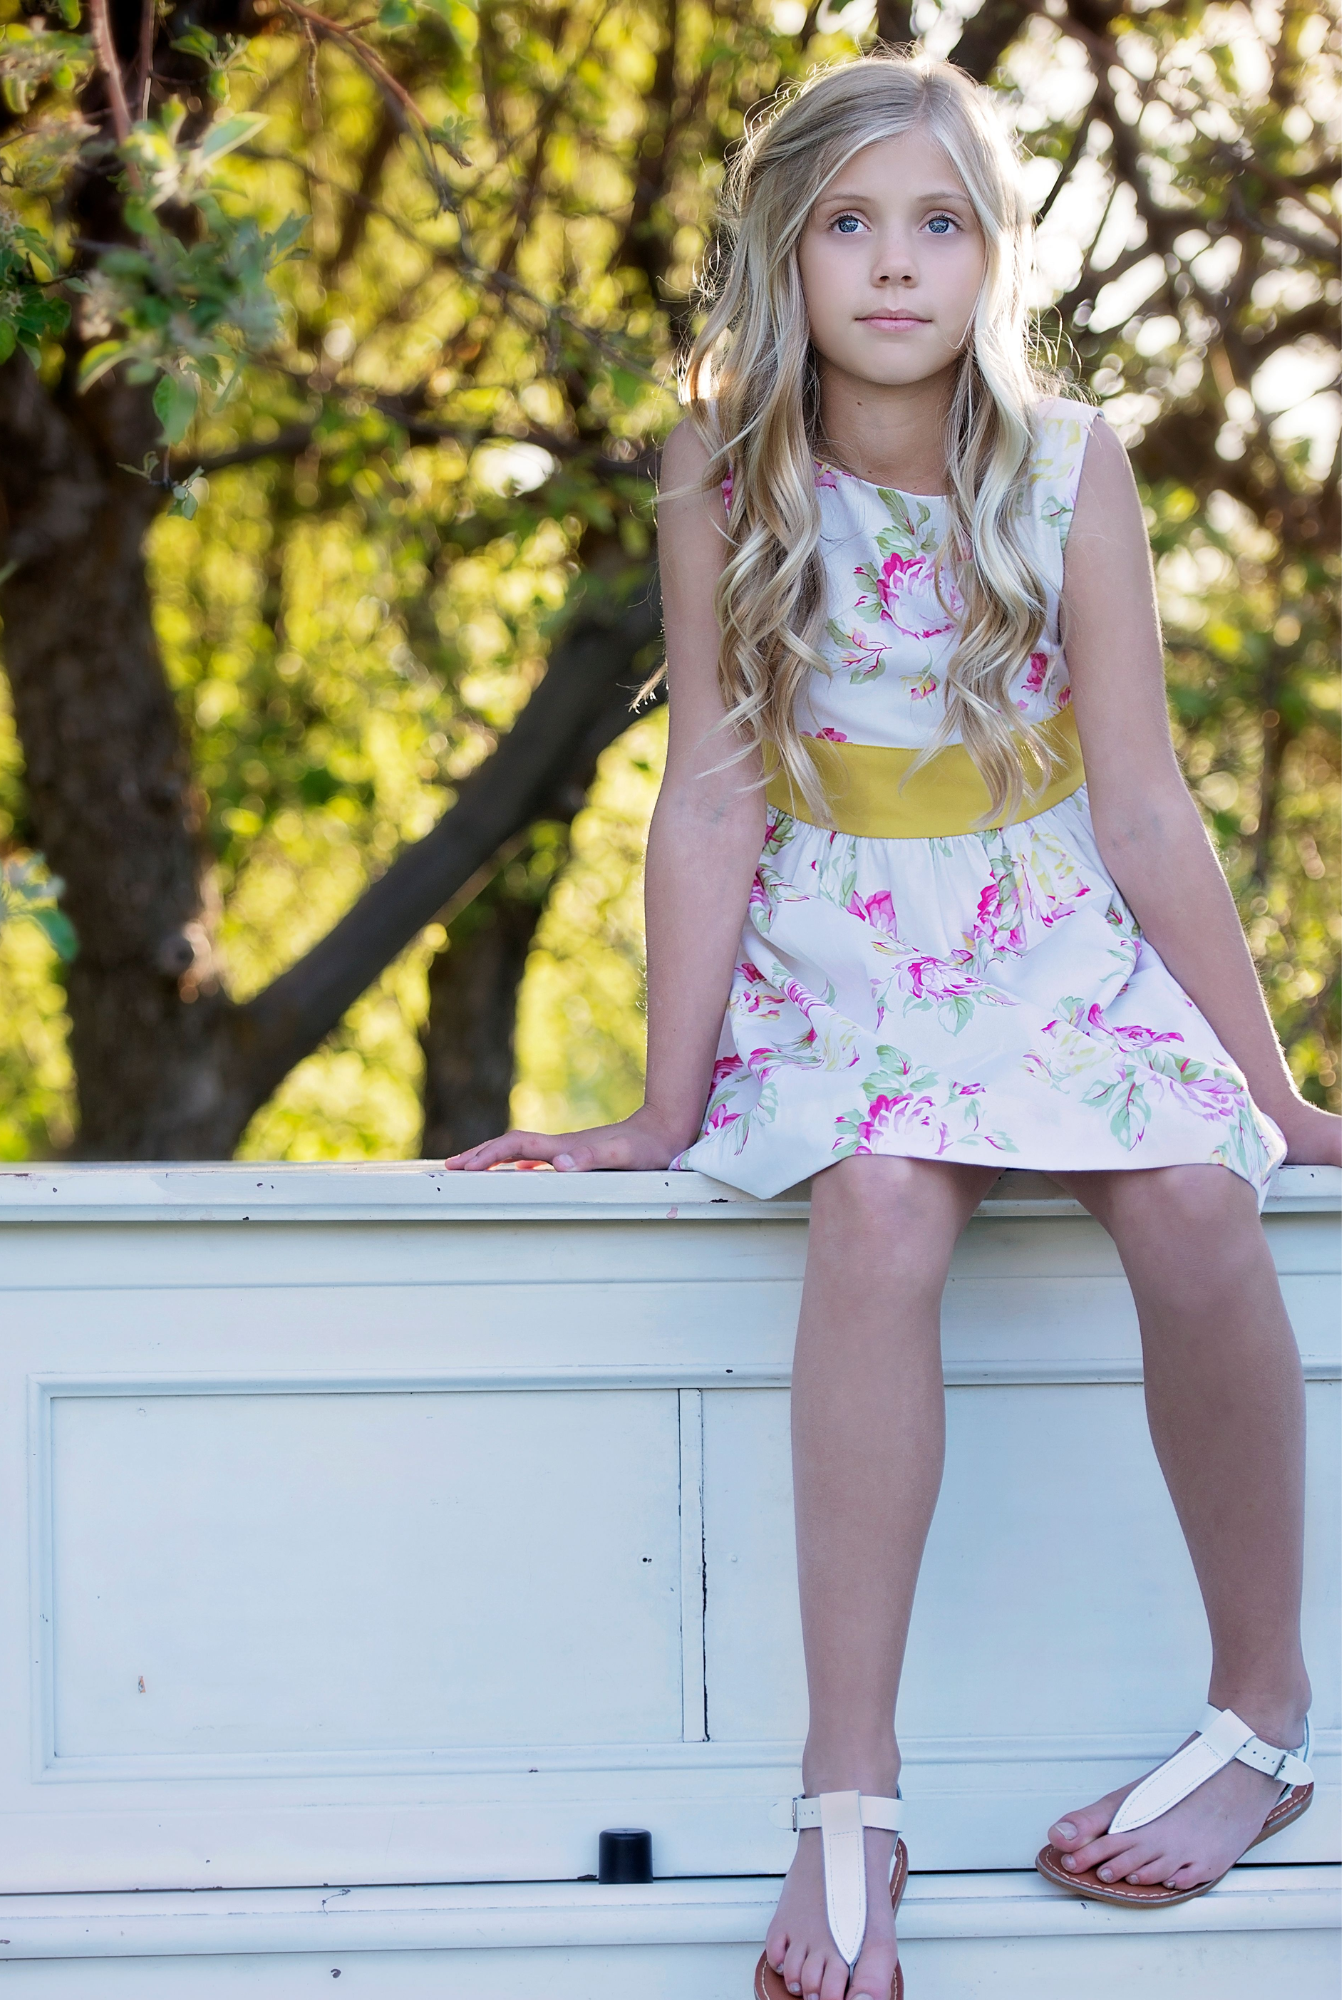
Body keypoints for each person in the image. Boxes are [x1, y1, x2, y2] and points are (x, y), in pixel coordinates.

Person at [446, 52, 1339, 2000]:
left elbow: (1145, 803)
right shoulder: (720, 462)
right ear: (787, 253)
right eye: (850, 223)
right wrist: (663, 1107)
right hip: (844, 936)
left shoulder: (1067, 461)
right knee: (870, 1202)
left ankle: (1263, 1718)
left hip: (1049, 924)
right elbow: (710, 786)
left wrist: (1272, 1095)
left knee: (1204, 1199)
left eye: (939, 223)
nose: (896, 264)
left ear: (995, 256)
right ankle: (849, 1794)